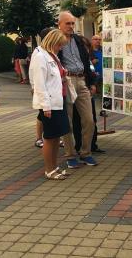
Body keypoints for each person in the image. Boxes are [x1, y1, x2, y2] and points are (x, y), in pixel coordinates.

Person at [57, 11, 98, 168]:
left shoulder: (78, 40)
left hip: (81, 80)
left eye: (73, 23)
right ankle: (70, 154)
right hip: (66, 81)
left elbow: (87, 62)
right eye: (68, 23)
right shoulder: (56, 41)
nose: (71, 26)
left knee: (89, 120)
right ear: (59, 24)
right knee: (67, 121)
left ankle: (85, 152)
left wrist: (92, 82)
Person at [30, 29, 71, 180]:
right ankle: (49, 170)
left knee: (55, 137)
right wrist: (46, 106)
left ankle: (54, 166)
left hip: (57, 101)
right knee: (49, 137)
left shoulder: (52, 55)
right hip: (49, 104)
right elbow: (40, 83)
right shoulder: (40, 56)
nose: (61, 48)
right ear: (53, 42)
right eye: (60, 45)